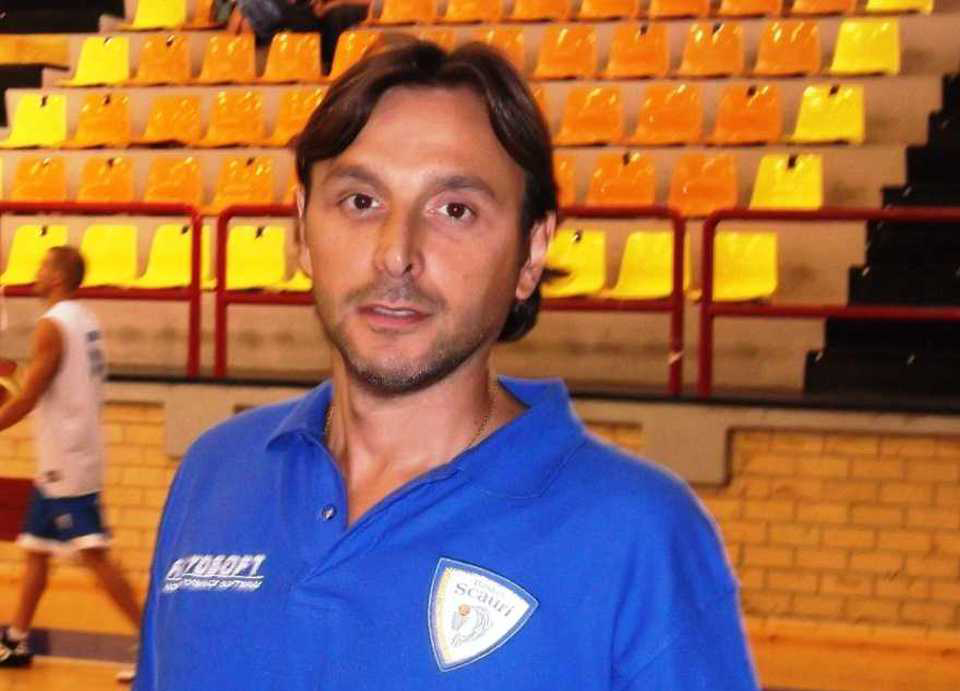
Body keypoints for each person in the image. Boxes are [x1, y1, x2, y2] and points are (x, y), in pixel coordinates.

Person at [135, 42, 759, 690]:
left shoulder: (638, 535)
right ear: (302, 229)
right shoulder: (215, 475)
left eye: (455, 210)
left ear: (531, 252)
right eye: (360, 201)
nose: (395, 253)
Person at [0, 247, 142, 678]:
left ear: (59, 277)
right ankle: (16, 638)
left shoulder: (52, 325)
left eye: (44, 266)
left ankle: (152, 641)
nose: (36, 272)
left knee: (94, 554)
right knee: (37, 550)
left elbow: (28, 396)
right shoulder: (86, 318)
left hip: (67, 459)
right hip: (68, 453)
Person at [227, 0, 370, 70]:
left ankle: (234, 60)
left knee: (246, 9)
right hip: (298, 11)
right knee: (246, 16)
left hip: (308, 17)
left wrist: (334, 4)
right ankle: (238, 65)